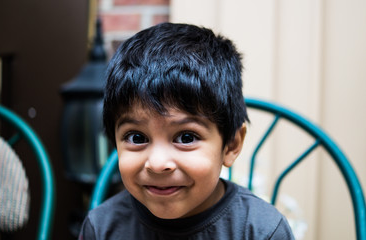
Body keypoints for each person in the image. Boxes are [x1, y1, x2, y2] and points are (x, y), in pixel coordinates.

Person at [79, 22, 295, 239]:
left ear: (231, 144)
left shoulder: (262, 231)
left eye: (186, 137)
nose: (157, 163)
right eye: (137, 137)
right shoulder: (101, 228)